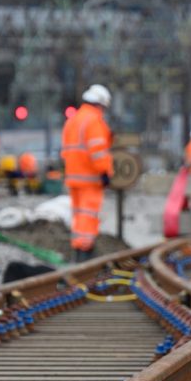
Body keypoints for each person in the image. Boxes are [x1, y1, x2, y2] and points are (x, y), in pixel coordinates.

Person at [62, 84, 113, 262]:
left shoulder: (73, 120)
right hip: (90, 179)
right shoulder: (94, 121)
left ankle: (78, 255)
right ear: (100, 104)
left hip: (73, 177)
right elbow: (98, 151)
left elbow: (67, 150)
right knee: (88, 217)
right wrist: (105, 172)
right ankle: (85, 257)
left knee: (78, 217)